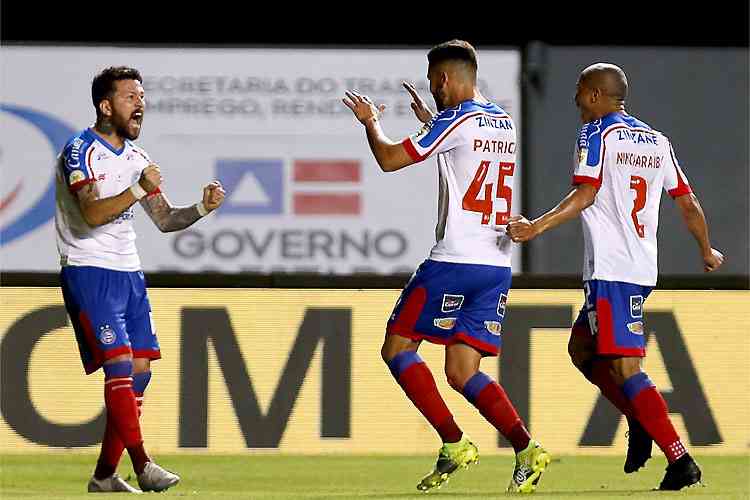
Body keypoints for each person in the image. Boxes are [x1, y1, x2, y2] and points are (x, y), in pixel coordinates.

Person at [343, 40, 550, 494]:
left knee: (397, 349)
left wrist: (371, 123)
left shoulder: (454, 119)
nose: (433, 90)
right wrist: (430, 122)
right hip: (496, 263)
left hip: (455, 259)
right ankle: (527, 448)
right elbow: (467, 155)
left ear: (444, 79)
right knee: (461, 370)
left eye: (434, 82)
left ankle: (454, 442)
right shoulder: (503, 120)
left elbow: (389, 159)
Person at [507, 63, 724, 491]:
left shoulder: (596, 133)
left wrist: (537, 227)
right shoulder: (657, 141)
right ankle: (639, 419)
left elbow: (585, 194)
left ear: (593, 95)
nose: (574, 100)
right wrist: (705, 249)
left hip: (612, 270)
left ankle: (680, 460)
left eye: (577, 91)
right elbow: (688, 202)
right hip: (641, 268)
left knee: (626, 367)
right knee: (582, 349)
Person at [55, 66, 225, 493]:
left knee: (141, 370)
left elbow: (165, 219)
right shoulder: (80, 151)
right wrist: (135, 190)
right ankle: (143, 463)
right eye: (131, 97)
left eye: (142, 97)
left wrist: (202, 209)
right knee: (118, 365)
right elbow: (92, 215)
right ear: (105, 105)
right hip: (89, 268)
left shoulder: (138, 159)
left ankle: (103, 476)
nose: (141, 105)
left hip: (129, 272)